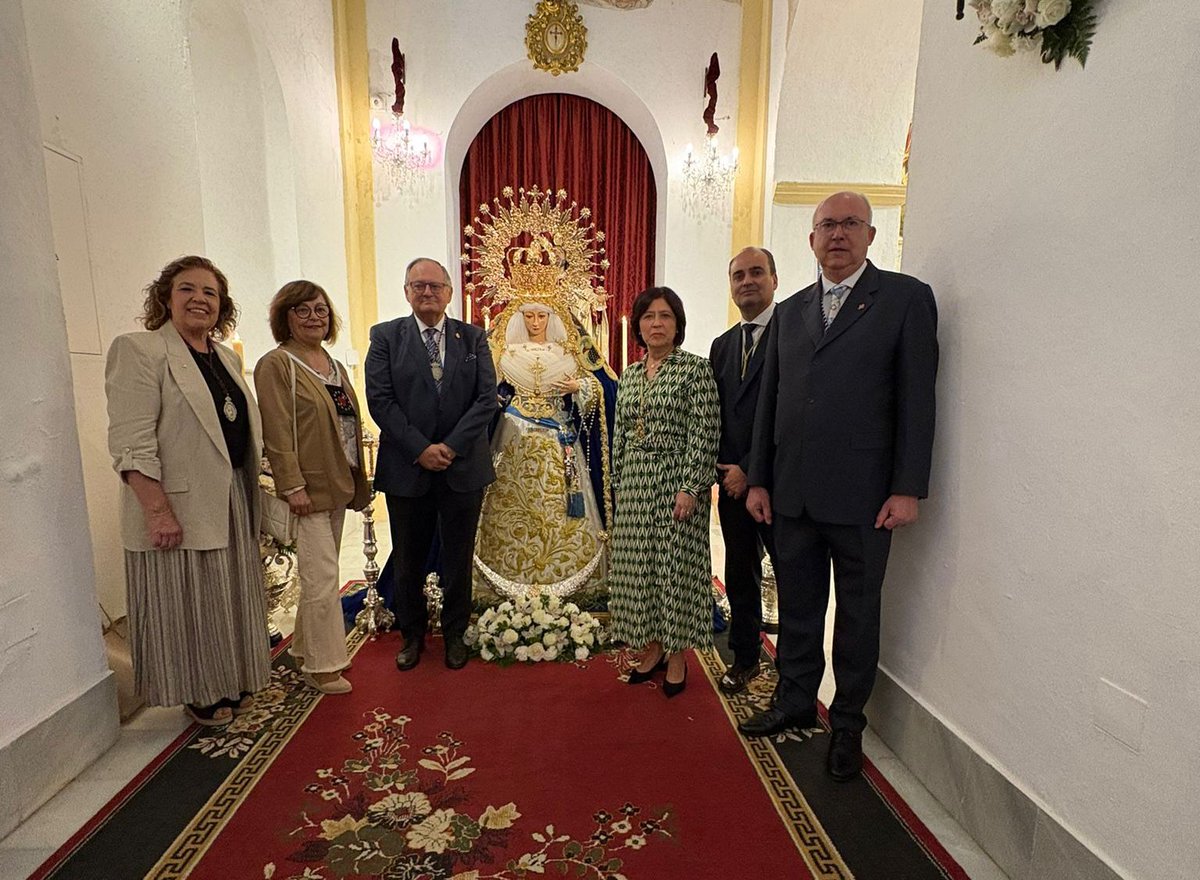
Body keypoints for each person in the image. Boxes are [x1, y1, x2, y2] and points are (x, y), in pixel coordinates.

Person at [740, 192, 939, 784]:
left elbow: (917, 400)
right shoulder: (794, 308)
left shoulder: (905, 299)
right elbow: (770, 402)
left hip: (865, 498)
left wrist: (908, 488)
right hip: (794, 495)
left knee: (856, 616)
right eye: (826, 225)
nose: (837, 235)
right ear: (811, 239)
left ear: (871, 235)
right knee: (799, 607)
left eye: (850, 224)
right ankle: (795, 700)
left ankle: (848, 722)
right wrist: (759, 479)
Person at [105, 255, 270, 727]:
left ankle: (231, 678)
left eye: (210, 293)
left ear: (222, 306)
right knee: (190, 602)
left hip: (230, 492)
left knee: (228, 594)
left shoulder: (226, 357)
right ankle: (199, 691)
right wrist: (158, 512)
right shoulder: (140, 350)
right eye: (187, 289)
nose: (199, 299)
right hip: (175, 500)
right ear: (165, 298)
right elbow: (131, 443)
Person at [365, 257, 497, 670]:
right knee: (408, 559)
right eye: (418, 285)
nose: (427, 292)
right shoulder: (386, 337)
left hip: (463, 468)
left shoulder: (473, 338)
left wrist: (451, 447)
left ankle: (456, 635)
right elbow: (380, 400)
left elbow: (485, 398)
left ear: (449, 293)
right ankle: (413, 636)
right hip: (408, 467)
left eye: (435, 286)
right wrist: (421, 448)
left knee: (459, 559)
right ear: (406, 291)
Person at [255, 280, 370, 695]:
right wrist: (292, 485)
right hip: (307, 490)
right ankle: (324, 666)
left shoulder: (331, 364)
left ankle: (305, 648)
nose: (314, 317)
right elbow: (277, 431)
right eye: (302, 310)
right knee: (322, 577)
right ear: (285, 317)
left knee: (320, 572)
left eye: (320, 309)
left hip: (338, 482)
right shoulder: (277, 364)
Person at [609, 287, 719, 698]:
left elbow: (704, 433)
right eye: (649, 316)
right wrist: (619, 484)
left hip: (677, 482)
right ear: (638, 325)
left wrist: (691, 487)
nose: (656, 323)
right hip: (636, 483)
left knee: (676, 572)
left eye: (665, 316)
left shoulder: (694, 370)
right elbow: (620, 433)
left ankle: (677, 655)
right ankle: (653, 646)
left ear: (678, 325)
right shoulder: (633, 375)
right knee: (642, 572)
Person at [474, 299, 616, 601]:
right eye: (529, 316)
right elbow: (485, 389)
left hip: (558, 440)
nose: (535, 322)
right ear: (519, 318)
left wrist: (580, 387)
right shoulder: (505, 353)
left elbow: (598, 387)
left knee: (562, 505)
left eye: (541, 316)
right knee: (512, 505)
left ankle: (572, 578)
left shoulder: (567, 351)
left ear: (551, 318)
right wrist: (496, 400)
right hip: (513, 437)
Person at [709, 247, 778, 694]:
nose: (747, 281)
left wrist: (750, 471)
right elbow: (717, 412)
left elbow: (787, 414)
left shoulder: (794, 335)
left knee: (795, 579)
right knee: (739, 572)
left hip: (776, 482)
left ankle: (796, 671)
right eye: (738, 275)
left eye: (757, 273)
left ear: (775, 279)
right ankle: (745, 658)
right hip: (730, 484)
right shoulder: (723, 344)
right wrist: (724, 470)